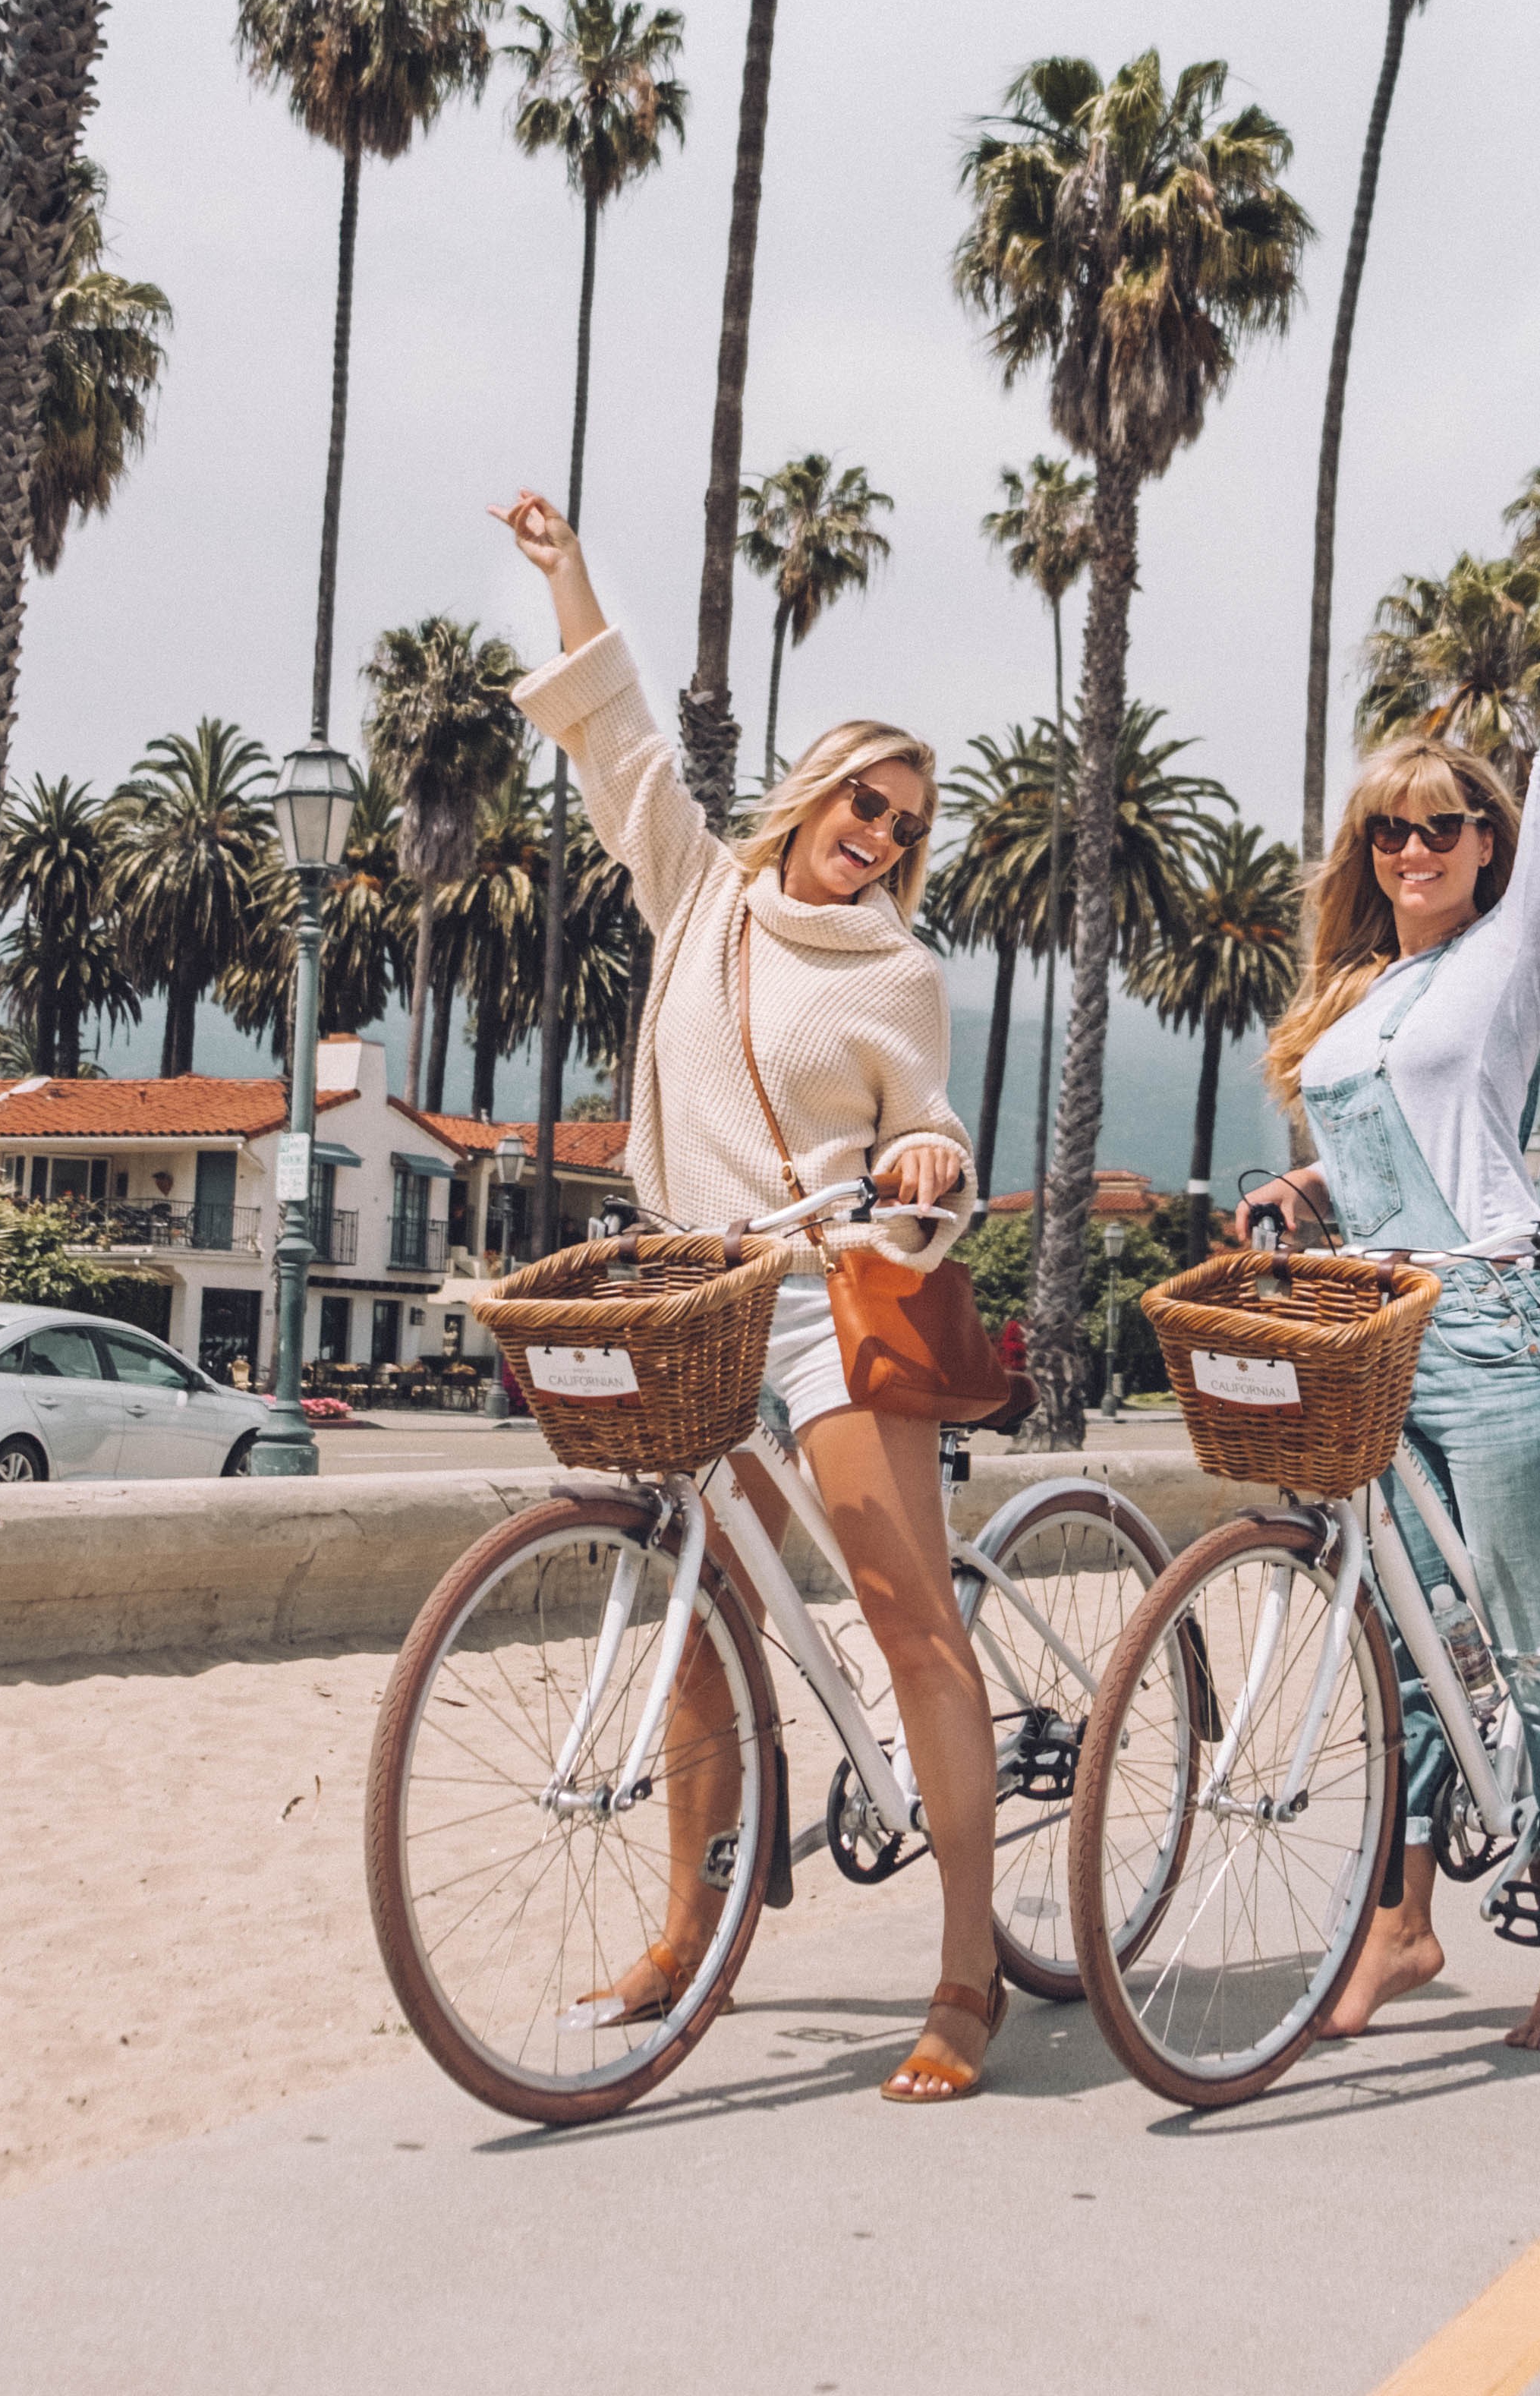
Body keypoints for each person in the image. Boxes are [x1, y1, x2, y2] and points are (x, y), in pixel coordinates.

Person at [498, 490, 1005, 2107]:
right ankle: (684, 1933)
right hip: (687, 1296)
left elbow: (923, 1113)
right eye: (863, 799)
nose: (878, 833)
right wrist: (572, 568)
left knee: (908, 1620)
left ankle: (969, 1968)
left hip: (829, 1296)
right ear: (809, 792)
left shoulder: (894, 969)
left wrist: (924, 1159)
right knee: (700, 1637)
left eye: (906, 824)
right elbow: (618, 738)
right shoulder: (702, 892)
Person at [1242, 497, 1540, 2055]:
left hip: (1499, 1325)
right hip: (1381, 1337)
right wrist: (1294, 1185)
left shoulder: (1509, 952)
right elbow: (1389, 1138)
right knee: (1414, 1648)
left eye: (1444, 824)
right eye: (1391, 828)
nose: (1416, 846)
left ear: (1487, 845)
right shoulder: (1355, 994)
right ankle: (1404, 1927)